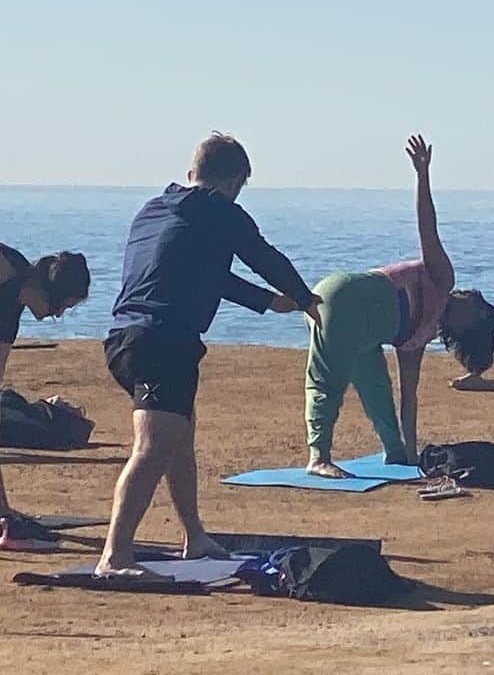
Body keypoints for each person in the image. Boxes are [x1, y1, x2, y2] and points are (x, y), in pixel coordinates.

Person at [95, 133, 321, 578]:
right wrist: (304, 297)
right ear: (235, 180)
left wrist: (267, 301)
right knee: (154, 446)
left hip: (126, 337)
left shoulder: (154, 210)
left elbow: (199, 274)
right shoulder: (221, 211)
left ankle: (194, 538)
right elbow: (263, 256)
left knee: (179, 438)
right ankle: (115, 556)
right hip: (164, 342)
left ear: (191, 173)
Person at [304, 134, 494, 478]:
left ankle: (395, 453)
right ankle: (318, 457)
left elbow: (409, 399)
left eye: (477, 307)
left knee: (378, 390)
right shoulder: (442, 280)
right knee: (327, 381)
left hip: (363, 331)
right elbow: (428, 229)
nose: (472, 296)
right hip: (343, 298)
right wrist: (423, 176)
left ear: (469, 327)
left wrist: (412, 453)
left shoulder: (416, 340)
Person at [0, 247, 90, 517]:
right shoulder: (8, 269)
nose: (59, 315)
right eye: (62, 306)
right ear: (50, 292)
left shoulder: (10, 310)